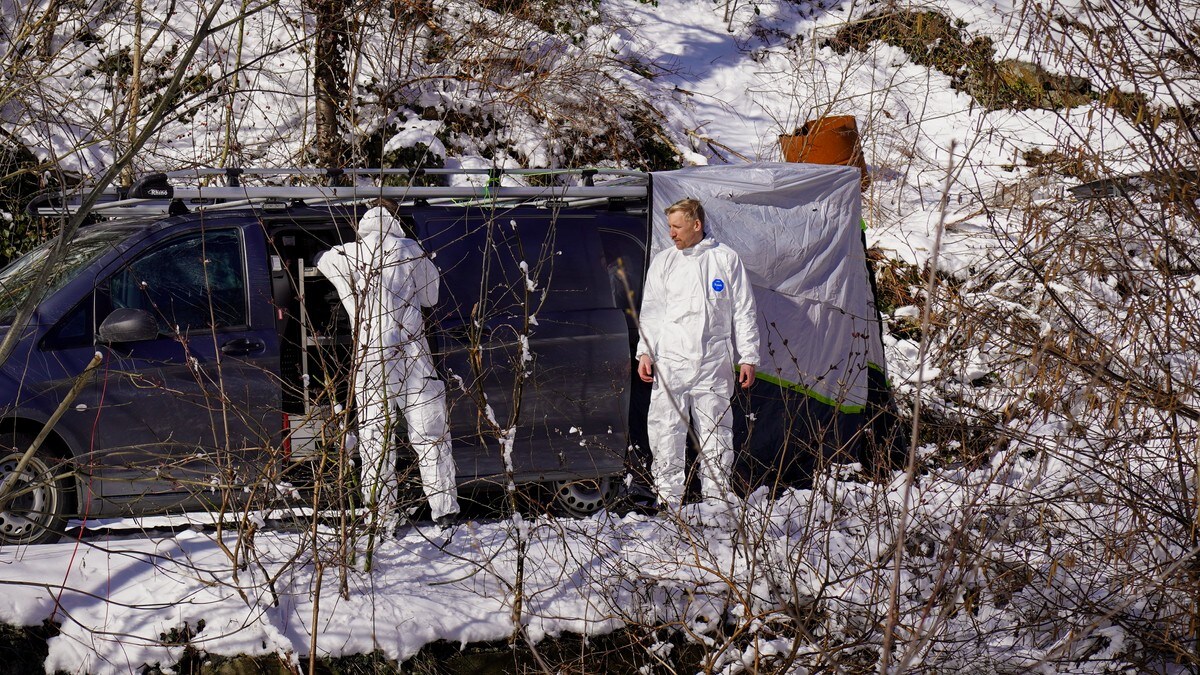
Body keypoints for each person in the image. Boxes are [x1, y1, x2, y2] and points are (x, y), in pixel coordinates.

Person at [317, 202, 460, 532]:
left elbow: (322, 261)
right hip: (413, 358)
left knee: (374, 439)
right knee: (430, 435)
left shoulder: (343, 255)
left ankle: (382, 519)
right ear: (395, 223)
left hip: (371, 360)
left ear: (364, 226)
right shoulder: (409, 249)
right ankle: (445, 511)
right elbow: (431, 297)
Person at [635, 197, 760, 511]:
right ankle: (668, 502)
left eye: (677, 227)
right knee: (665, 433)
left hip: (712, 363)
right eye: (669, 227)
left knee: (716, 435)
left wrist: (748, 356)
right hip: (670, 363)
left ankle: (716, 504)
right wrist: (645, 352)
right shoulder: (664, 262)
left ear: (696, 224)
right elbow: (651, 312)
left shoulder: (725, 260)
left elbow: (744, 311)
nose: (672, 234)